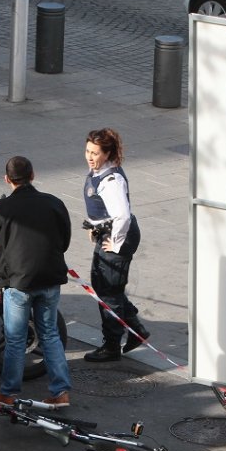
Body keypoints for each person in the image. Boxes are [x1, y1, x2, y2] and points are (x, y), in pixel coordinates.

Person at [0, 156, 72, 408]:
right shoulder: (55, 204)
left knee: (15, 338)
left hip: (18, 282)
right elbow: (64, 241)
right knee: (50, 334)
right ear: (33, 175)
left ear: (7, 179)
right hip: (50, 279)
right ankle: (61, 391)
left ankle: (9, 392)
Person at [81, 128, 150, 362]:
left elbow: (122, 216)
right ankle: (136, 330)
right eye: (88, 151)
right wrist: (94, 227)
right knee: (106, 286)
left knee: (107, 290)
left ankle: (112, 346)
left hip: (117, 235)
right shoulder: (99, 171)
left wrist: (116, 244)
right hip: (107, 233)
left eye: (96, 153)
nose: (90, 157)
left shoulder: (112, 180)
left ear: (108, 154)